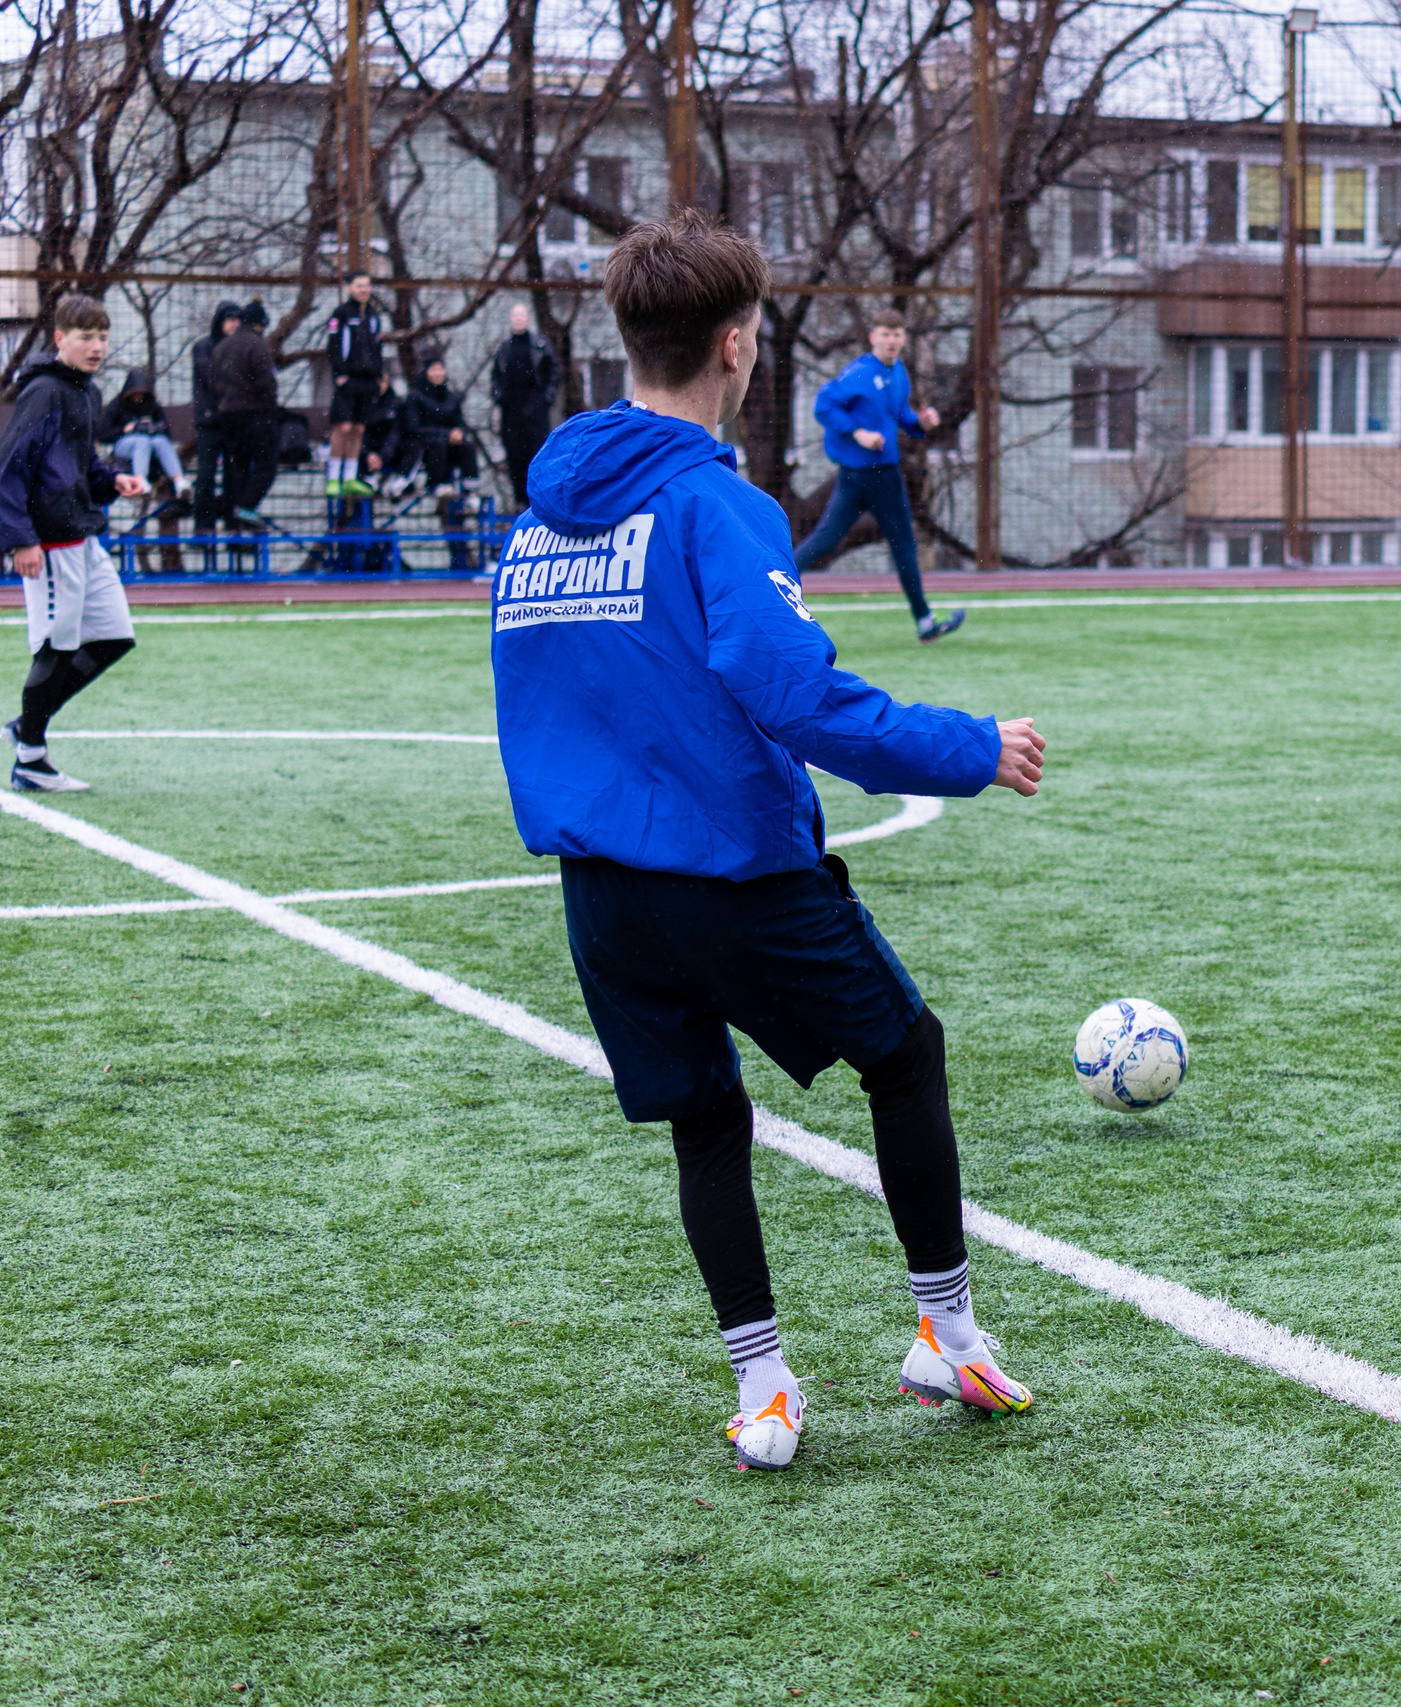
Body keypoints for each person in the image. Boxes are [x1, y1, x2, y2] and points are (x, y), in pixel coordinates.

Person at [490, 210, 1048, 1472]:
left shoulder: (533, 525)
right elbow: (794, 695)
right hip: (733, 880)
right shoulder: (716, 504)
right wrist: (968, 747)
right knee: (904, 1052)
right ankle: (946, 1334)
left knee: (706, 1123)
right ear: (737, 346)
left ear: (626, 339)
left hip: (601, 898)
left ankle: (763, 1390)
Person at [1, 294, 150, 793]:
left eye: (103, 336)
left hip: (82, 536)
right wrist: (21, 540)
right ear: (59, 339)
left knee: (113, 636)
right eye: (86, 337)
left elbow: (81, 465)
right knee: (56, 647)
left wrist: (112, 481)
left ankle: (27, 723)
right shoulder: (44, 392)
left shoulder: (86, 391)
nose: (97, 346)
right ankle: (30, 760)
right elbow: (10, 467)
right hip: (49, 545)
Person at [798, 309, 963, 643]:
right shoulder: (860, 373)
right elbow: (824, 406)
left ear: (904, 338)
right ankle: (925, 622)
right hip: (866, 476)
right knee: (894, 544)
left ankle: (768, 582)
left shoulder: (898, 372)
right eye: (886, 334)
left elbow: (901, 416)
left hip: (875, 476)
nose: (892, 340)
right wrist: (857, 432)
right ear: (873, 337)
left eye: (897, 334)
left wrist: (921, 423)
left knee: (833, 540)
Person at [205, 300, 278, 530]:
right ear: (259, 324)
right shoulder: (257, 345)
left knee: (239, 467)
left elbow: (212, 383)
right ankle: (247, 508)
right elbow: (267, 383)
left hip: (228, 415)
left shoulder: (221, 348)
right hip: (254, 413)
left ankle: (235, 518)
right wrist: (271, 409)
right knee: (267, 463)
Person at [489, 302, 559, 510]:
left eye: (522, 315)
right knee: (515, 456)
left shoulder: (541, 345)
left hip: (535, 410)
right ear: (511, 320)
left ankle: (537, 501)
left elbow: (554, 373)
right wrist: (500, 397)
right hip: (511, 411)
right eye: (515, 316)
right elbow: (495, 378)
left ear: (528, 319)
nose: (518, 319)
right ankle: (520, 500)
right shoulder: (504, 348)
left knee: (536, 453)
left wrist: (545, 399)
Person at [324, 273, 387, 497]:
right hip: (348, 379)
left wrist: (379, 375)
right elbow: (333, 345)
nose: (364, 290)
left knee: (359, 429)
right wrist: (340, 373)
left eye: (367, 286)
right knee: (343, 427)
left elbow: (378, 348)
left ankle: (350, 478)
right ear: (349, 288)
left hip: (368, 381)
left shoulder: (374, 316)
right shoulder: (341, 313)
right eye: (359, 286)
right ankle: (334, 478)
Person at [188, 301, 241, 530]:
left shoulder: (241, 347)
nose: (234, 325)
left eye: (238, 320)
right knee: (206, 475)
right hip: (210, 421)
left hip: (233, 421)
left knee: (234, 476)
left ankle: (233, 526)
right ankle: (203, 527)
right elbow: (210, 376)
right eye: (230, 319)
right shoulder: (204, 346)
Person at [104, 368, 187, 510]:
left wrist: (153, 428)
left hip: (151, 446)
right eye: (135, 394)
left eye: (141, 394)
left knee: (160, 440)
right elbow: (103, 434)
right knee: (141, 440)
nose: (138, 397)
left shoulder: (151, 405)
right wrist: (124, 430)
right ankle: (140, 479)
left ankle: (179, 481)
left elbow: (165, 430)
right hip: (124, 445)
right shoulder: (117, 405)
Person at [402, 351, 478, 496]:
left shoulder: (451, 397)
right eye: (433, 369)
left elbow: (459, 422)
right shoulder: (415, 396)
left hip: (450, 446)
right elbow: (413, 428)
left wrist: (459, 433)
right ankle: (436, 483)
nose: (437, 373)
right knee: (438, 444)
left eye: (440, 369)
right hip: (425, 447)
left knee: (468, 446)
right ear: (426, 372)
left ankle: (470, 489)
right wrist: (446, 434)